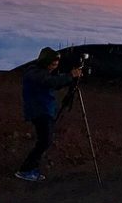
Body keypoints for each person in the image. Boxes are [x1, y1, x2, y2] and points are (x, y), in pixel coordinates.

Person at [15, 47, 81, 182]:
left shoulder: (39, 72)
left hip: (44, 110)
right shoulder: (35, 74)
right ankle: (25, 170)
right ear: (45, 62)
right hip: (39, 111)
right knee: (44, 140)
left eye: (55, 65)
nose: (53, 68)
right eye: (52, 65)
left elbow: (53, 82)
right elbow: (51, 82)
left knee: (45, 140)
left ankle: (31, 168)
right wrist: (70, 76)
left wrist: (69, 77)